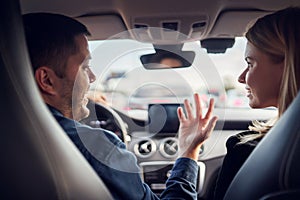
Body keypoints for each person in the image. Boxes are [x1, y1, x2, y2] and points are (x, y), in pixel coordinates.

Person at [23, 13, 218, 199]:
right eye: (84, 67)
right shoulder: (98, 147)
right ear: (47, 80)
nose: (92, 78)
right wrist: (189, 151)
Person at [177, 7, 300, 200]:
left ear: (288, 64)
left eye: (250, 64)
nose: (241, 78)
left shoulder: (244, 151)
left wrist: (188, 151)